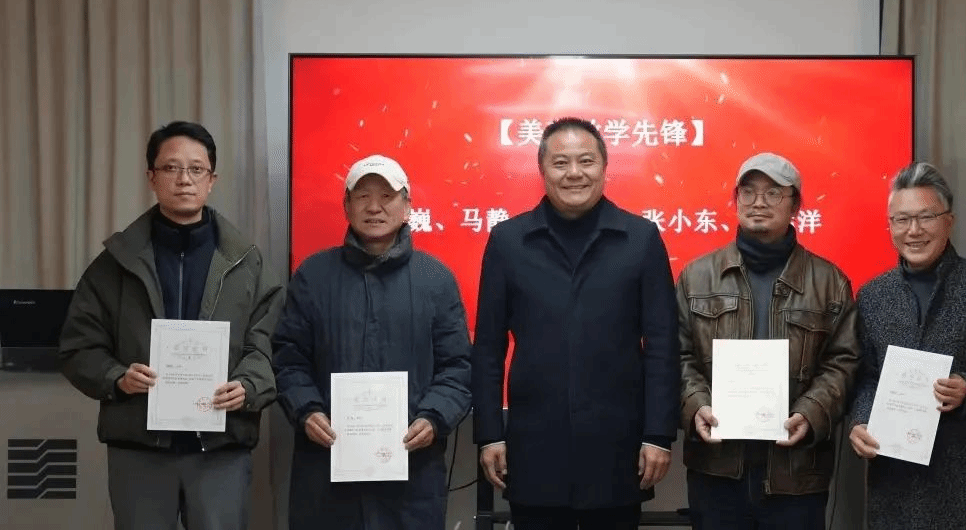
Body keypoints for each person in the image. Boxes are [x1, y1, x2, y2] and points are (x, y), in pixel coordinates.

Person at [58, 121, 284, 530]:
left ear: (212, 180)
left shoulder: (247, 263)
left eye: (196, 169)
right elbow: (79, 347)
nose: (184, 179)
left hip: (220, 448)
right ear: (151, 177)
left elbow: (269, 342)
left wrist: (249, 385)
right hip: (139, 448)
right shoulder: (115, 264)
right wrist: (116, 377)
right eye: (171, 168)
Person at [471, 117, 680, 530]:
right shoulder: (509, 241)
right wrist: (490, 433)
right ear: (542, 169)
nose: (574, 173)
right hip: (534, 447)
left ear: (604, 167)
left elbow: (662, 345)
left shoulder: (640, 239)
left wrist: (658, 434)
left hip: (618, 447)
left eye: (586, 161)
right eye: (560, 162)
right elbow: (488, 348)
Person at [272, 154, 471, 529]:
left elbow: (458, 366)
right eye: (363, 196)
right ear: (346, 206)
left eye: (387, 196)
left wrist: (433, 417)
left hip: (411, 473)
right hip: (327, 471)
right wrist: (306, 410)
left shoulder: (436, 279)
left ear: (407, 206)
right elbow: (288, 359)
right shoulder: (313, 276)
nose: (374, 207)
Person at [849, 162, 966, 530]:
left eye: (926, 217)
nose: (914, 230)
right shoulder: (873, 295)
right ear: (890, 225)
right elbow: (867, 377)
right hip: (894, 487)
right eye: (902, 219)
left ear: (948, 221)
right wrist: (860, 420)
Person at [677, 152, 860, 530]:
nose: (758, 202)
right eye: (748, 192)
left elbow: (844, 362)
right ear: (736, 200)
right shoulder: (696, 277)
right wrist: (696, 404)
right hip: (716, 471)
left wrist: (811, 412)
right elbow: (677, 355)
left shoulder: (830, 282)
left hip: (796, 475)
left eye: (774, 192)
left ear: (795, 205)